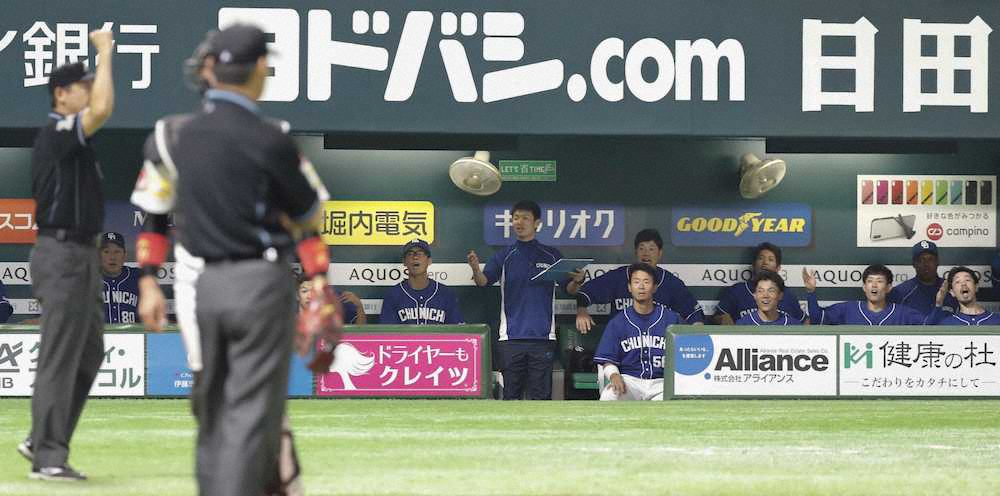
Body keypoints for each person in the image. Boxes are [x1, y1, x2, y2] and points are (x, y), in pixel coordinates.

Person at [132, 25, 338, 496]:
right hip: (259, 284)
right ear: (261, 70)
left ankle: (269, 480)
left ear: (208, 69)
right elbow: (309, 216)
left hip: (203, 289)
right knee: (251, 409)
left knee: (210, 403)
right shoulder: (272, 139)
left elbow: (153, 216)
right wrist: (320, 281)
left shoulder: (170, 136)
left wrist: (146, 281)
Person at [17, 31, 115, 482]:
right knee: (60, 356)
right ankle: (49, 456)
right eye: (83, 84)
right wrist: (105, 52)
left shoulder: (73, 143)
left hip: (81, 255)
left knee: (90, 352)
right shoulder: (58, 130)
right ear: (62, 93)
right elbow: (103, 110)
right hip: (61, 253)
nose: (90, 89)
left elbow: (96, 109)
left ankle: (42, 437)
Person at [467, 200, 567, 400]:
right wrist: (476, 269)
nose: (519, 222)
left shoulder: (551, 255)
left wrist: (578, 279)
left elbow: (569, 287)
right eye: (516, 218)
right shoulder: (504, 255)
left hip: (543, 338)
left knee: (541, 398)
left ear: (537, 223)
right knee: (511, 396)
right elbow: (483, 282)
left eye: (525, 218)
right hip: (510, 338)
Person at [568, 228, 704, 333]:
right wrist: (582, 311)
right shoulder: (619, 277)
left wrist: (697, 331)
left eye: (651, 249)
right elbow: (585, 293)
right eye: (642, 248)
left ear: (660, 253)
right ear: (635, 252)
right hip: (622, 342)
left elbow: (694, 313)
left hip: (658, 346)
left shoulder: (671, 283)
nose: (646, 253)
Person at [593, 263, 683, 401]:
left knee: (673, 404)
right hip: (630, 382)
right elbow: (607, 358)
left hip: (663, 382)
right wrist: (614, 375)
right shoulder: (618, 322)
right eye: (636, 282)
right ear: (629, 287)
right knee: (609, 396)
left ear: (654, 287)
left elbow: (685, 355)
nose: (641, 286)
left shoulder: (672, 318)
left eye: (646, 282)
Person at [803, 264, 924, 325]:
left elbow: (929, 326)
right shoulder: (848, 309)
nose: (874, 285)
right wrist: (811, 292)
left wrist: (939, 305)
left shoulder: (903, 314)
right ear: (864, 287)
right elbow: (817, 319)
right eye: (870, 281)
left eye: (880, 281)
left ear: (888, 287)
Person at [715, 242, 805, 325]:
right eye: (760, 258)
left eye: (770, 259)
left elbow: (805, 322)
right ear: (753, 265)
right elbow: (717, 317)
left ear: (778, 268)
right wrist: (725, 321)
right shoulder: (737, 291)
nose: (765, 263)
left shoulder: (787, 294)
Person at [380, 239, 463, 324]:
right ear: (404, 262)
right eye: (410, 254)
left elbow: (457, 331)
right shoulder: (393, 295)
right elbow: (388, 334)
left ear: (429, 261)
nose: (415, 257)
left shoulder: (446, 294)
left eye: (420, 253)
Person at [888, 240, 957, 316]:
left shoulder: (951, 289)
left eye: (930, 259)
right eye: (921, 260)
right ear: (914, 264)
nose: (926, 264)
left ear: (937, 262)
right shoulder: (900, 293)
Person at [927, 267, 1000, 325]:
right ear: (952, 292)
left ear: (976, 286)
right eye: (957, 282)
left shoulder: (997, 320)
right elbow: (927, 335)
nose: (963, 284)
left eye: (967, 280)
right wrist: (938, 304)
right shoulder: (947, 324)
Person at [734, 270, 802, 326]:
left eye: (771, 291)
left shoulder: (793, 325)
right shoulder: (743, 324)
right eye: (760, 291)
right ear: (754, 295)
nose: (765, 295)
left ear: (780, 295)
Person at [99, 232, 140, 324]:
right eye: (106, 252)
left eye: (117, 252)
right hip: (98, 336)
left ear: (124, 255)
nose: (112, 257)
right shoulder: (91, 280)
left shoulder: (137, 277)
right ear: (99, 256)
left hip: (135, 336)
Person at [298, 272, 366, 325]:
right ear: (296, 295)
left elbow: (360, 336)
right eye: (304, 291)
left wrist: (359, 307)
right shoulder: (289, 317)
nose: (310, 296)